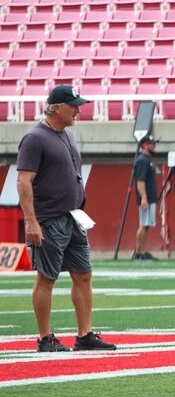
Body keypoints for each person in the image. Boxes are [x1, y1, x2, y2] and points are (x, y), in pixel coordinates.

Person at [16, 85, 116, 352]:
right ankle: (44, 337)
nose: (78, 110)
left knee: (83, 275)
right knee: (46, 277)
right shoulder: (35, 139)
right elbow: (24, 181)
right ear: (57, 108)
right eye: (74, 106)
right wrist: (31, 221)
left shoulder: (67, 136)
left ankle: (84, 334)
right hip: (49, 219)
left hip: (74, 217)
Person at [133, 134, 159, 260]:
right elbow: (140, 181)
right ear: (144, 145)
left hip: (150, 198)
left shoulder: (147, 160)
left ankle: (141, 251)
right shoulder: (142, 160)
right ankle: (139, 252)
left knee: (146, 225)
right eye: (152, 143)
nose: (154, 145)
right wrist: (144, 197)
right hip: (147, 198)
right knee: (143, 224)